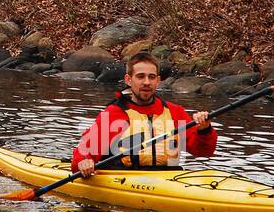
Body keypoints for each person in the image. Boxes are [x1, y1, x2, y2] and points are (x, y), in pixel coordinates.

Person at [71, 52, 215, 176]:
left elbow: (203, 151)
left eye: (151, 77)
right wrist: (84, 162)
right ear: (128, 80)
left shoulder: (174, 112)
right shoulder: (115, 113)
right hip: (126, 179)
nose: (147, 82)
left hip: (169, 179)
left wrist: (204, 130)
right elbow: (84, 151)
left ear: (158, 81)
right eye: (140, 76)